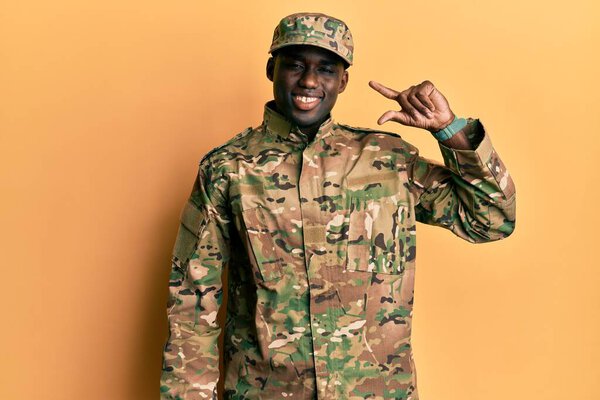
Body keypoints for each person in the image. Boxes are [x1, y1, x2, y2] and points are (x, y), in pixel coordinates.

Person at [160, 12, 516, 400]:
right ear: (270, 69)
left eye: (326, 69)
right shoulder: (228, 168)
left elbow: (491, 220)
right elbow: (193, 300)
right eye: (295, 65)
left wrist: (449, 130)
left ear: (343, 80)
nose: (310, 81)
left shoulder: (388, 160)